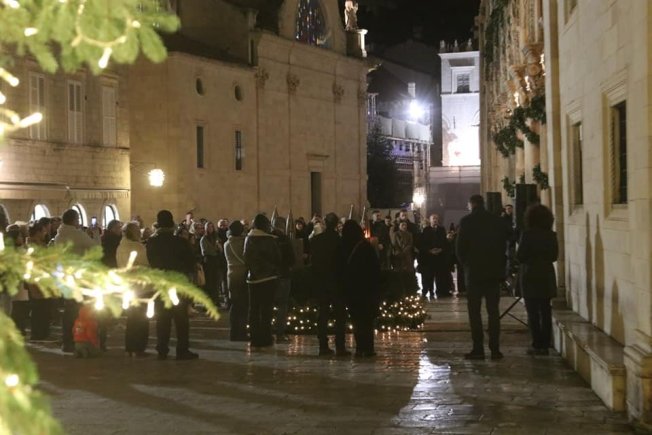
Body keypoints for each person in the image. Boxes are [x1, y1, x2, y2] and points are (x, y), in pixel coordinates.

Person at [456, 194, 508, 360]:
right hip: (493, 272)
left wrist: (466, 265)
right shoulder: (496, 221)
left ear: (471, 204)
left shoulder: (466, 221)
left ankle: (478, 348)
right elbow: (503, 245)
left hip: (474, 273)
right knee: (493, 312)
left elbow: (460, 248)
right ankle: (495, 349)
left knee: (475, 312)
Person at [146, 210, 199, 360]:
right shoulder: (180, 242)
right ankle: (182, 349)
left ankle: (162, 348)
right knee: (181, 318)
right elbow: (191, 262)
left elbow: (151, 261)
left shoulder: (152, 242)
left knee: (162, 318)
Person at [53, 208, 99, 353]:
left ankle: (67, 340)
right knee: (79, 310)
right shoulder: (76, 234)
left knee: (69, 310)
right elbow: (96, 247)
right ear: (74, 220)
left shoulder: (59, 235)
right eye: (78, 219)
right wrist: (96, 234)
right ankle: (79, 338)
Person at [516, 204, 558, 356]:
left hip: (530, 275)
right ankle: (545, 344)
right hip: (546, 275)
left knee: (533, 312)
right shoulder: (551, 235)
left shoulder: (527, 235)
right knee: (545, 310)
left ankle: (536, 344)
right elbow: (554, 256)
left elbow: (520, 256)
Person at [338, 220, 380, 357]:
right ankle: (368, 348)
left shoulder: (342, 246)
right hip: (366, 289)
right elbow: (375, 268)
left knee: (356, 320)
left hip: (351, 289)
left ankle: (359, 348)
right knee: (366, 320)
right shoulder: (365, 246)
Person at [310, 213, 350, 356]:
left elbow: (313, 261)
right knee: (339, 315)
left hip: (321, 281)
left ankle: (323, 345)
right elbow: (344, 263)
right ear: (336, 224)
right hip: (337, 282)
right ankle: (340, 346)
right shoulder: (340, 241)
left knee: (323, 314)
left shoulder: (316, 240)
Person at [244, 214, 281, 349]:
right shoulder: (269, 240)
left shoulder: (248, 239)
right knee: (266, 309)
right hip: (268, 278)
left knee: (253, 309)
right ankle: (266, 337)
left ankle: (254, 337)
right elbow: (277, 257)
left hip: (253, 279)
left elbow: (246, 258)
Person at [116, 221, 151, 357]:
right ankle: (139, 347)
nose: (140, 233)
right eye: (137, 230)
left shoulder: (121, 247)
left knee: (131, 318)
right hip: (140, 286)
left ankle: (129, 347)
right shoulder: (138, 247)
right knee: (141, 318)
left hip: (127, 285)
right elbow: (146, 263)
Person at [272, 216, 295, 343]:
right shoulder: (285, 239)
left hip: (270, 275)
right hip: (284, 275)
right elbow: (291, 258)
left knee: (268, 304)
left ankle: (268, 331)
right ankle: (280, 333)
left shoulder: (268, 239)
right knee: (283, 304)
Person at [224, 220, 248, 341]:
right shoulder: (244, 242)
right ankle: (242, 332)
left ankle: (233, 332)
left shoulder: (227, 243)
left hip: (231, 275)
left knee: (234, 305)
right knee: (243, 305)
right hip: (242, 274)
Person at [419, 214, 449, 299]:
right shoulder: (426, 230)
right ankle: (430, 291)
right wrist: (430, 250)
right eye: (433, 218)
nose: (435, 220)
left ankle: (439, 292)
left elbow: (444, 241)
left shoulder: (441, 229)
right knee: (429, 276)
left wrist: (440, 249)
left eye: (436, 218)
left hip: (439, 256)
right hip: (429, 256)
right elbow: (423, 242)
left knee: (439, 275)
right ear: (430, 220)